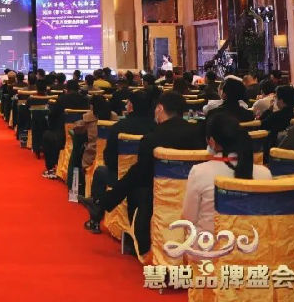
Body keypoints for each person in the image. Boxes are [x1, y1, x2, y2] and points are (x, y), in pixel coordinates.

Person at [81, 92, 205, 242]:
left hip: (156, 191)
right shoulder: (198, 134)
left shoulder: (152, 137)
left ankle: (104, 211)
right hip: (195, 192)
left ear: (160, 109)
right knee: (134, 176)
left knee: (132, 181)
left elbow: (133, 170)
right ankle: (105, 203)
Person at [182, 113, 272, 234]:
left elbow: (188, 219)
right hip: (252, 243)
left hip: (208, 244)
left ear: (212, 142)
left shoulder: (199, 172)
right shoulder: (265, 174)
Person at [102, 90, 157, 180]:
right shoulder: (157, 129)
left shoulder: (117, 127)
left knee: (100, 172)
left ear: (130, 106)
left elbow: (109, 159)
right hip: (150, 178)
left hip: (120, 177)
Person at [41, 80, 90, 179]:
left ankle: (52, 167)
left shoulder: (62, 99)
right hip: (84, 134)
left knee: (47, 135)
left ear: (67, 89)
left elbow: (52, 115)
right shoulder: (85, 100)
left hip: (63, 134)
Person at [259, 85, 294, 151]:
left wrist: (268, 111)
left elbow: (260, 125)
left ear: (281, 101)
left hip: (275, 149)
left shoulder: (276, 116)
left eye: (276, 97)